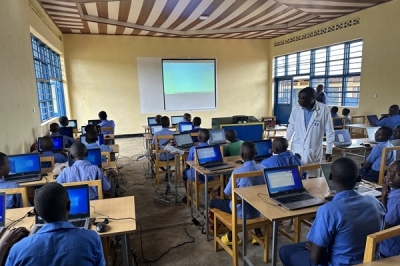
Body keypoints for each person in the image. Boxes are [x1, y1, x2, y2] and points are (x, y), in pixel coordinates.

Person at [279, 157, 385, 266]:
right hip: (370, 261)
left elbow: (316, 259)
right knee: (298, 247)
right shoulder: (374, 202)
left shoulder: (329, 210)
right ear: (359, 178)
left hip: (337, 263)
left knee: (285, 251)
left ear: (330, 177)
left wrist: (316, 250)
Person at [6, 183, 105, 265]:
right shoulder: (91, 239)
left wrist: (3, 243)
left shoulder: (18, 250)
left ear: (36, 212)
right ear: (69, 206)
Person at [209, 141, 265, 245]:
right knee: (252, 200)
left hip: (241, 213)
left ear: (242, 155)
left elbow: (226, 192)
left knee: (213, 202)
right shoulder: (263, 169)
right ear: (256, 154)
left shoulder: (237, 173)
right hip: (259, 210)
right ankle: (258, 233)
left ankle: (229, 235)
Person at [285, 87, 334, 176]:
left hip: (313, 149)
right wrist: (285, 141)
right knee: (296, 176)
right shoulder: (296, 108)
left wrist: (329, 151)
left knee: (313, 179)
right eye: (298, 98)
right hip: (297, 147)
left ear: (310, 99)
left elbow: (330, 131)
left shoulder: (324, 109)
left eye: (301, 98)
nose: (298, 101)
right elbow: (291, 126)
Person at [181, 129, 214, 204]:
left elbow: (189, 163)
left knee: (184, 172)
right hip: (211, 176)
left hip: (198, 176)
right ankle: (209, 190)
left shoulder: (193, 149)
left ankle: (188, 196)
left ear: (198, 138)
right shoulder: (214, 147)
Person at [380, 160, 400, 258]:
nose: (390, 176)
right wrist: (384, 195)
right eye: (389, 171)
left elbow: (384, 227)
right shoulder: (395, 191)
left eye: (397, 174)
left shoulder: (397, 199)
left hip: (389, 248)